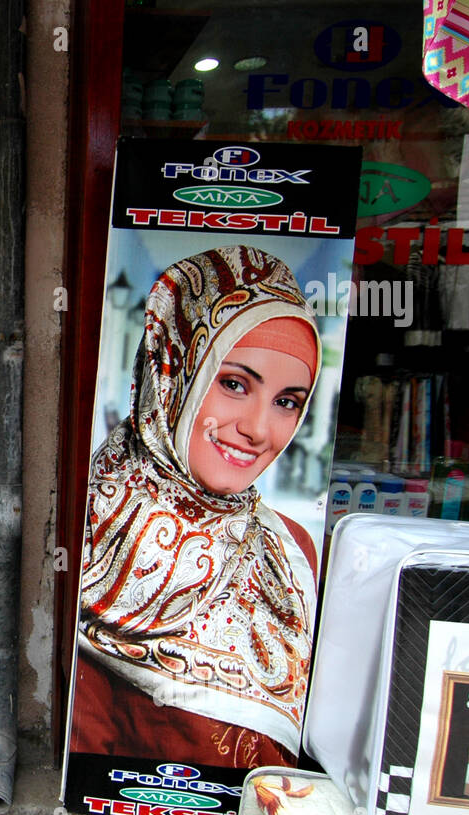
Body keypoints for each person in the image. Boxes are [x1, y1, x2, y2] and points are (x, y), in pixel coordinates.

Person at [70, 245, 321, 770]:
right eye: (233, 384)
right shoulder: (83, 528)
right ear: (172, 374)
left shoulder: (291, 553)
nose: (257, 429)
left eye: (286, 401)